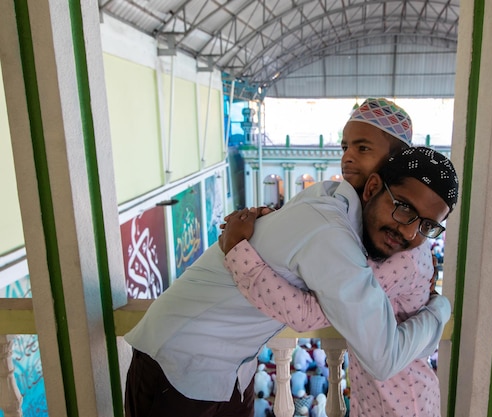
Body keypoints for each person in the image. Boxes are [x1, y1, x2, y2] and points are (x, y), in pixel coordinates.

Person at [123, 99, 453, 417]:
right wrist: (441, 308)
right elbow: (334, 328)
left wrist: (253, 233)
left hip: (231, 367)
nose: (348, 158)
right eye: (346, 147)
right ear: (378, 185)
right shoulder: (332, 230)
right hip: (181, 361)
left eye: (363, 148)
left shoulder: (335, 204)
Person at [221, 147, 458, 416]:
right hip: (378, 399)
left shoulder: (403, 259)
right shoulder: (361, 239)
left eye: (427, 226)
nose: (409, 231)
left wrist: (237, 251)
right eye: (404, 208)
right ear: (372, 189)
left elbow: (307, 314)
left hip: (404, 404)